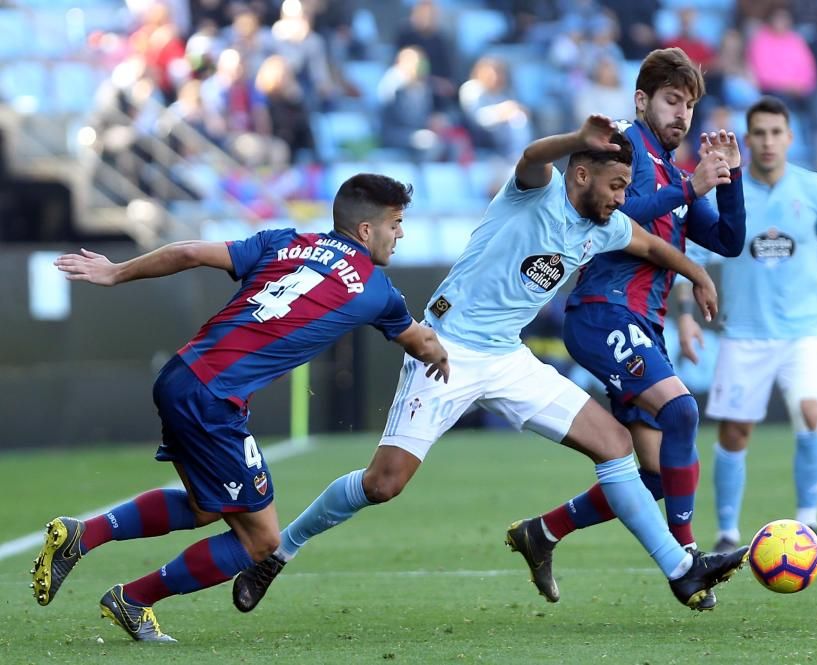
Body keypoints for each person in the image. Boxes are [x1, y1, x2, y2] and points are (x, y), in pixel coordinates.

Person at [231, 114, 749, 615]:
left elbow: (652, 243)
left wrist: (697, 276)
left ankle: (680, 570)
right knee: (382, 484)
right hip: (446, 349)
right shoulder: (535, 192)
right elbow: (531, 156)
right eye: (615, 186)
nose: (621, 199)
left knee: (614, 443)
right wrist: (573, 136)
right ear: (582, 174)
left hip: (506, 357)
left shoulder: (606, 226)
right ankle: (278, 552)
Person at [30, 174, 450, 642]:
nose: (402, 234)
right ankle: (134, 599)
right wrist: (444, 354)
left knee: (204, 505)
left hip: (180, 376)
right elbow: (422, 343)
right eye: (396, 223)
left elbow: (188, 252)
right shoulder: (376, 290)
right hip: (213, 398)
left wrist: (116, 271)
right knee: (261, 541)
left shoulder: (285, 241)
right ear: (367, 230)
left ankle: (83, 535)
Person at [504, 47, 746, 611]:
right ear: (642, 100)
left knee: (656, 479)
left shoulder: (678, 176)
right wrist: (693, 188)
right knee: (683, 410)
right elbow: (618, 213)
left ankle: (543, 531)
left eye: (688, 104)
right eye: (671, 100)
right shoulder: (625, 146)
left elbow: (730, 241)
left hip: (645, 327)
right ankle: (687, 562)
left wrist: (726, 181)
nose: (681, 114)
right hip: (601, 311)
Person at [676, 96, 817, 556]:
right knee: (735, 432)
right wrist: (685, 315)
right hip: (744, 333)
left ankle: (810, 524)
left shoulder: (815, 189)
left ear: (790, 137)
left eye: (776, 132)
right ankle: (726, 533)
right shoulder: (728, 192)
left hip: (801, 332)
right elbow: (693, 256)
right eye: (759, 133)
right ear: (748, 138)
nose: (768, 141)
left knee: (811, 416)